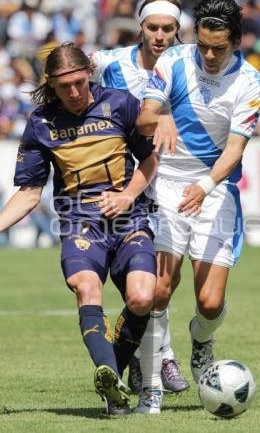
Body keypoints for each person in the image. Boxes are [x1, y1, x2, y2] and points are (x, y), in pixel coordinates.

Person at [0, 43, 158, 416]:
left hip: (129, 219)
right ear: (51, 85)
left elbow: (150, 159)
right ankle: (111, 378)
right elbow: (28, 193)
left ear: (89, 72)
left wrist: (126, 196)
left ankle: (112, 374)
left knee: (141, 298)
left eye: (78, 82)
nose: (73, 92)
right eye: (63, 86)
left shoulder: (121, 103)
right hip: (79, 222)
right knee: (86, 287)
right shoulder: (42, 123)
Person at [136, 0, 260, 413]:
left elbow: (234, 149)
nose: (209, 56)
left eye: (219, 49)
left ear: (236, 42)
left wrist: (207, 185)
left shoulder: (250, 82)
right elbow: (143, 118)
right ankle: (152, 384)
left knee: (209, 303)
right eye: (203, 46)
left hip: (214, 188)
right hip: (167, 183)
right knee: (159, 288)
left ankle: (202, 339)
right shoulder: (173, 60)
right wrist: (161, 118)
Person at [91, 0, 190, 395]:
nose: (160, 36)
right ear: (141, 27)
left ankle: (139, 350)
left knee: (165, 283)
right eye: (153, 28)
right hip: (123, 184)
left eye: (168, 29)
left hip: (171, 180)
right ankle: (161, 357)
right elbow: (62, 63)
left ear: (177, 30)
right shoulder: (111, 62)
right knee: (145, 281)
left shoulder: (189, 62)